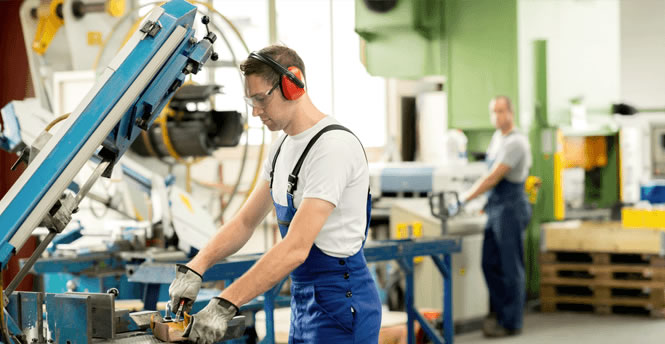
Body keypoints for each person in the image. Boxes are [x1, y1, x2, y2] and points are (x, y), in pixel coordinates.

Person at [167, 45, 382, 344]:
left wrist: (225, 303)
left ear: (292, 85)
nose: (255, 111)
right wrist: (196, 267)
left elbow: (296, 248)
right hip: (305, 302)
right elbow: (245, 222)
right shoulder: (281, 146)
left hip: (342, 305)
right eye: (250, 101)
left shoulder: (332, 147)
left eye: (260, 99)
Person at [453, 95, 532, 337]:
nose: (497, 116)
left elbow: (493, 177)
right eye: (493, 111)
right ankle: (500, 313)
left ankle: (512, 322)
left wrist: (465, 198)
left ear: (511, 113)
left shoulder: (516, 143)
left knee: (511, 268)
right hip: (495, 207)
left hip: (511, 207)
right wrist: (482, 202)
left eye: (501, 111)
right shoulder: (497, 139)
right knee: (488, 263)